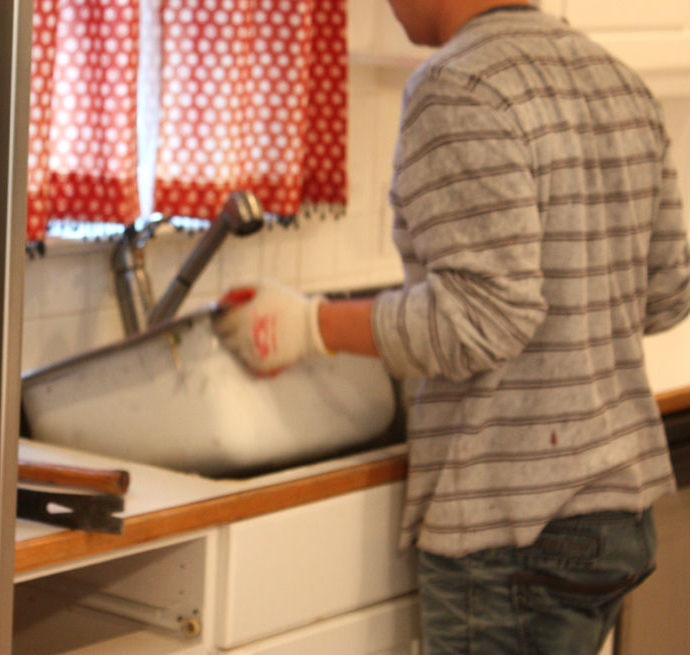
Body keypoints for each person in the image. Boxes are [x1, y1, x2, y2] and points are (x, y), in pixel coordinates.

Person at [214, 1, 690, 653]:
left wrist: (310, 324)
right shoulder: (614, 77)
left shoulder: (457, 82)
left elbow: (480, 320)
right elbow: (666, 294)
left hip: (516, 524)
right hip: (615, 513)